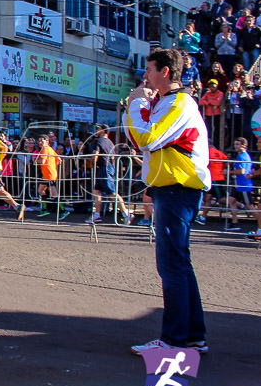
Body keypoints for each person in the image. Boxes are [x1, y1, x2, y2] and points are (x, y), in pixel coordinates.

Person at [124, 47, 210, 355]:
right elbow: (139, 138)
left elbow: (147, 138)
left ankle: (174, 341)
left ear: (166, 72)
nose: (145, 75)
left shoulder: (180, 103)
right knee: (179, 265)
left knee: (172, 266)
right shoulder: (165, 102)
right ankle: (192, 337)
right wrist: (137, 105)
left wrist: (135, 104)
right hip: (169, 187)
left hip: (178, 188)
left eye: (149, 70)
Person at [84, 124, 132, 225]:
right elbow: (113, 157)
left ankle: (126, 213)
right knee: (96, 191)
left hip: (104, 168)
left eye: (99, 129)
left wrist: (91, 164)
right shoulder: (110, 142)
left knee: (111, 193)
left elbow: (95, 155)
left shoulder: (98, 141)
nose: (97, 130)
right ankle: (96, 215)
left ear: (103, 131)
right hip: (108, 168)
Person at [35, 135, 67, 219]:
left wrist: (35, 160)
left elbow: (42, 161)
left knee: (54, 193)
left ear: (47, 141)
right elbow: (59, 159)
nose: (40, 142)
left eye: (42, 141)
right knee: (41, 190)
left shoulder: (45, 149)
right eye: (39, 141)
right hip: (48, 174)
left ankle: (63, 210)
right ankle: (45, 209)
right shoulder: (50, 148)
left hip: (49, 175)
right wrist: (53, 166)